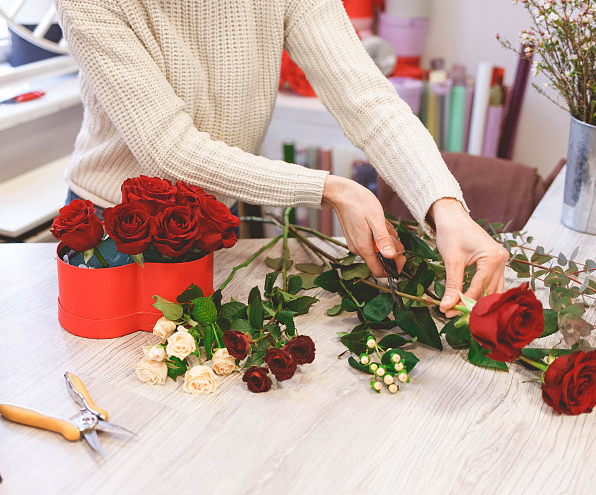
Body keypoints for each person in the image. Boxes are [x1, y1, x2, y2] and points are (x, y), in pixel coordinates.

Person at [55, 0, 509, 316]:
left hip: (212, 211)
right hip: (109, 224)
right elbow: (169, 148)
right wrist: (329, 189)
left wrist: (444, 206)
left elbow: (369, 101)